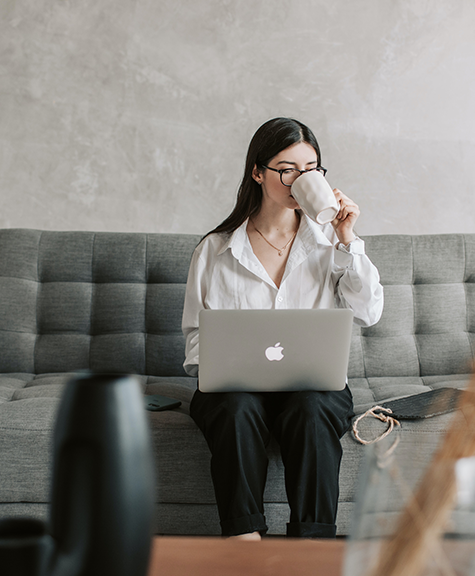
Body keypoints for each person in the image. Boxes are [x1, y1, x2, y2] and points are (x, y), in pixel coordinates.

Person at [181, 117, 384, 540]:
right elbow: (196, 338)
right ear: (258, 172)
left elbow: (369, 312)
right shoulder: (215, 249)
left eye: (311, 169)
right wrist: (221, 366)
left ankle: (311, 548)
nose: (300, 180)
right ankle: (244, 542)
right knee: (236, 408)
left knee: (312, 409)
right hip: (235, 391)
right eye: (287, 169)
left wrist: (348, 239)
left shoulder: (331, 243)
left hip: (311, 386)